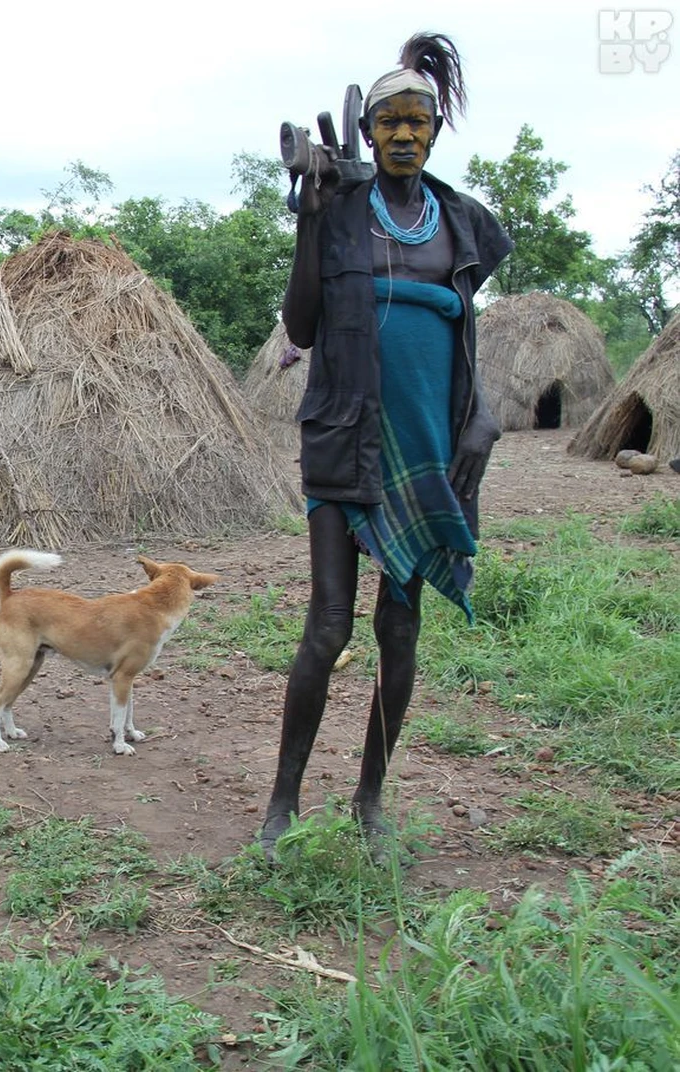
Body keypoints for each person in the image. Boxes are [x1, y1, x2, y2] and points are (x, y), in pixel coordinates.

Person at [261, 32, 513, 860]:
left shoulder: (462, 226)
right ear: (369, 134)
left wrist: (482, 420)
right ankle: (284, 805)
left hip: (428, 449)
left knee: (397, 633)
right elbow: (301, 324)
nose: (404, 136)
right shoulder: (338, 212)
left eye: (418, 121)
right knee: (328, 626)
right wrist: (306, 219)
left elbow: (473, 337)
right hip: (344, 440)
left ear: (436, 129)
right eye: (389, 124)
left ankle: (370, 800)